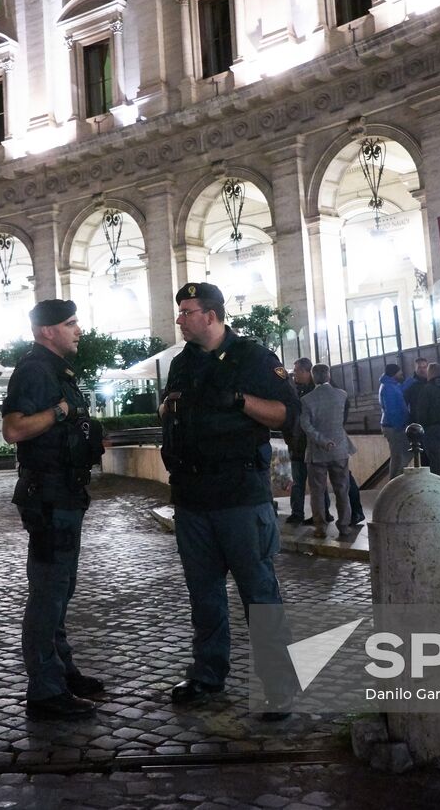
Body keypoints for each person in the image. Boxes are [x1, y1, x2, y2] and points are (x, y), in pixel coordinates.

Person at [161, 282, 300, 719]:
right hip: (192, 497)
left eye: (187, 312)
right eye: (181, 312)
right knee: (203, 595)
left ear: (213, 315)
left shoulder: (253, 358)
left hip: (240, 496)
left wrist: (240, 400)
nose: (181, 319)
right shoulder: (181, 364)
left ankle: (279, 685)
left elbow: (286, 413)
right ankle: (207, 673)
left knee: (259, 593)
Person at [0, 299, 106, 721]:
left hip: (63, 493)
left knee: (59, 589)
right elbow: (14, 429)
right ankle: (44, 689)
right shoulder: (34, 370)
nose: (78, 329)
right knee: (47, 593)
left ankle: (61, 672)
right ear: (47, 331)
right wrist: (60, 411)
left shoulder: (55, 369)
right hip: (47, 497)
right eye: (70, 323)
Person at [299, 364, 355, 539]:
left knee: (317, 491)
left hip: (317, 452)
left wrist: (322, 441)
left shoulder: (306, 400)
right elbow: (342, 420)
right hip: (340, 450)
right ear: (329, 375)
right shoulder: (342, 395)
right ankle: (344, 526)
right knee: (342, 490)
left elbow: (306, 426)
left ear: (313, 377)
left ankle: (320, 527)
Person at [407, 361, 440, 488]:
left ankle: (437, 487)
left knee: (434, 461)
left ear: (430, 373)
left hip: (432, 429)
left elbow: (421, 412)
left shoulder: (427, 389)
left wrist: (422, 427)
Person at [282, 358, 320, 526]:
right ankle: (297, 513)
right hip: (296, 443)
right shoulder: (295, 391)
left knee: (316, 482)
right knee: (298, 481)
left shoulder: (315, 392)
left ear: (306, 372)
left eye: (297, 371)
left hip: (312, 444)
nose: (294, 374)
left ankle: (321, 513)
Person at [378, 363, 410, 479]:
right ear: (394, 374)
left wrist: (409, 382)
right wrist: (400, 426)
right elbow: (391, 410)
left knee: (396, 455)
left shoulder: (390, 385)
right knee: (405, 453)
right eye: (399, 372)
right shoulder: (388, 388)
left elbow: (399, 391)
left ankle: (394, 480)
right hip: (394, 426)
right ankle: (397, 479)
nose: (402, 374)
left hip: (391, 425)